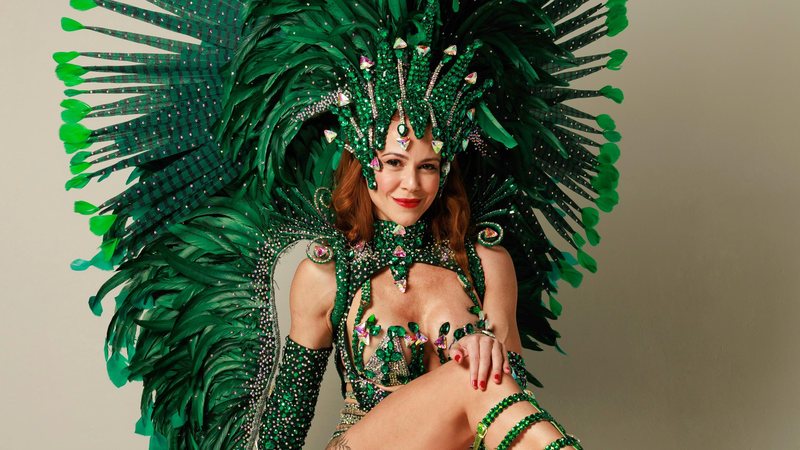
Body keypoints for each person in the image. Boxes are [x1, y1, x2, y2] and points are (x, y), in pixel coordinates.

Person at [53, 0, 627, 448]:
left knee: (482, 378)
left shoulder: (486, 263)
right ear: (363, 163)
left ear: (446, 169)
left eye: (428, 166)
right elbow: (286, 423)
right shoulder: (328, 275)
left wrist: (487, 347)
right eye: (393, 163)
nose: (410, 185)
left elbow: (508, 401)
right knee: (469, 375)